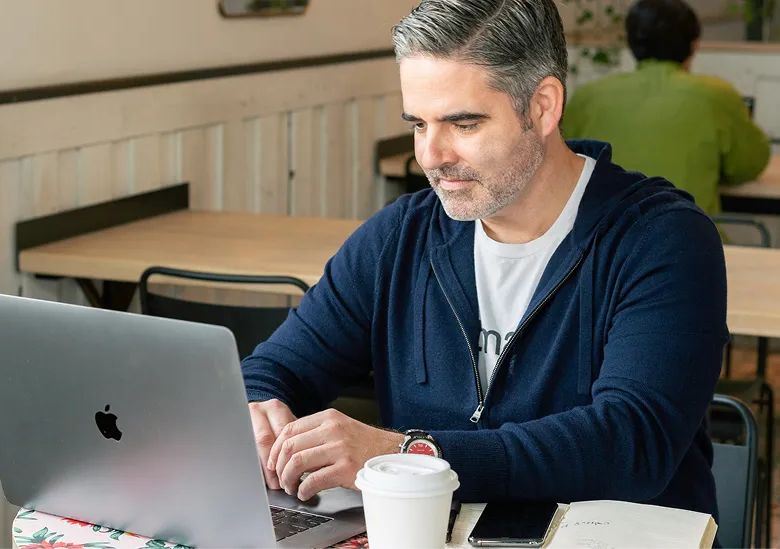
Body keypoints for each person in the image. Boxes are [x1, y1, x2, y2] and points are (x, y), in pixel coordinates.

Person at [241, 0, 728, 530]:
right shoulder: (401, 235)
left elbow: (632, 443)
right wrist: (257, 407)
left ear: (543, 106)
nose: (431, 154)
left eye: (462, 123)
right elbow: (272, 371)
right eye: (418, 124)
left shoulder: (663, 239)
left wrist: (411, 454)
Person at [563, 0, 771, 217]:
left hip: (605, 242)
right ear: (694, 44)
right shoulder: (718, 95)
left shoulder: (588, 97)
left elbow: (564, 165)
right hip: (692, 238)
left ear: (631, 43)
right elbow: (749, 165)